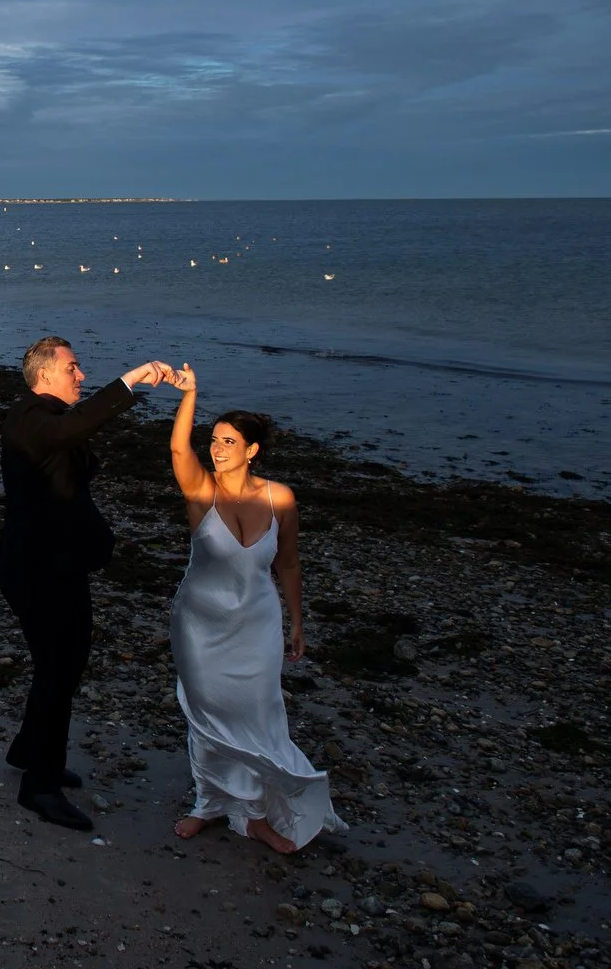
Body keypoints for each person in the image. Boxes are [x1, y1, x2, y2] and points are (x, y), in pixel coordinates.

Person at [164, 363, 345, 853]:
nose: (216, 449)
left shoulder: (280, 497)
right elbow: (180, 448)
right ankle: (208, 804)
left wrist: (298, 622)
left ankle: (256, 814)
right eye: (215, 440)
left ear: (251, 450)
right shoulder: (202, 493)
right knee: (207, 715)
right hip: (200, 624)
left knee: (260, 714)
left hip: (258, 623)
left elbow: (288, 564)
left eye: (227, 442)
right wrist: (191, 393)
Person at [0, 336, 176, 831]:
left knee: (66, 662)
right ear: (45, 374)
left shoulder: (44, 422)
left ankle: (29, 751)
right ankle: (40, 786)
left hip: (55, 567)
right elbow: (75, 429)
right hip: (38, 570)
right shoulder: (33, 419)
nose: (80, 375)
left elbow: (71, 449)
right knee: (59, 668)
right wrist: (134, 378)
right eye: (73, 368)